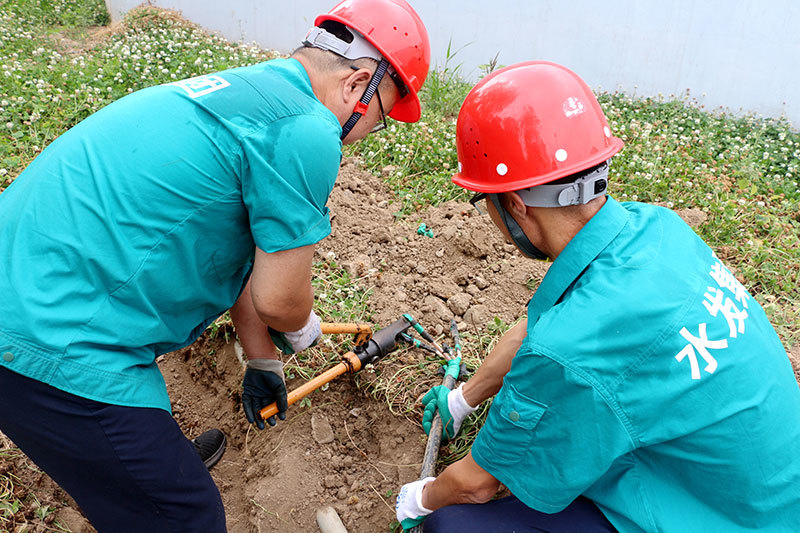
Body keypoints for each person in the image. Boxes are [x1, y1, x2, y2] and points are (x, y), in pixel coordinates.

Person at [0, 0, 429, 531]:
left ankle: (149, 475)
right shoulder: (308, 129)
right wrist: (300, 327)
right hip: (51, 338)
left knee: (152, 486)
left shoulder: (251, 88)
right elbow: (280, 299)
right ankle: (154, 494)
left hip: (27, 283)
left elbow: (249, 257)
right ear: (357, 84)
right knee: (188, 515)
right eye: (383, 117)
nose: (369, 136)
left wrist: (262, 360)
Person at [395, 61, 800, 532]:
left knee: (455, 527)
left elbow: (477, 484)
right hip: (766, 489)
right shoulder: (658, 229)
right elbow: (541, 327)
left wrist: (421, 498)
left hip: (724, 518)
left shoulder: (570, 349)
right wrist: (465, 397)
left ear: (514, 203)